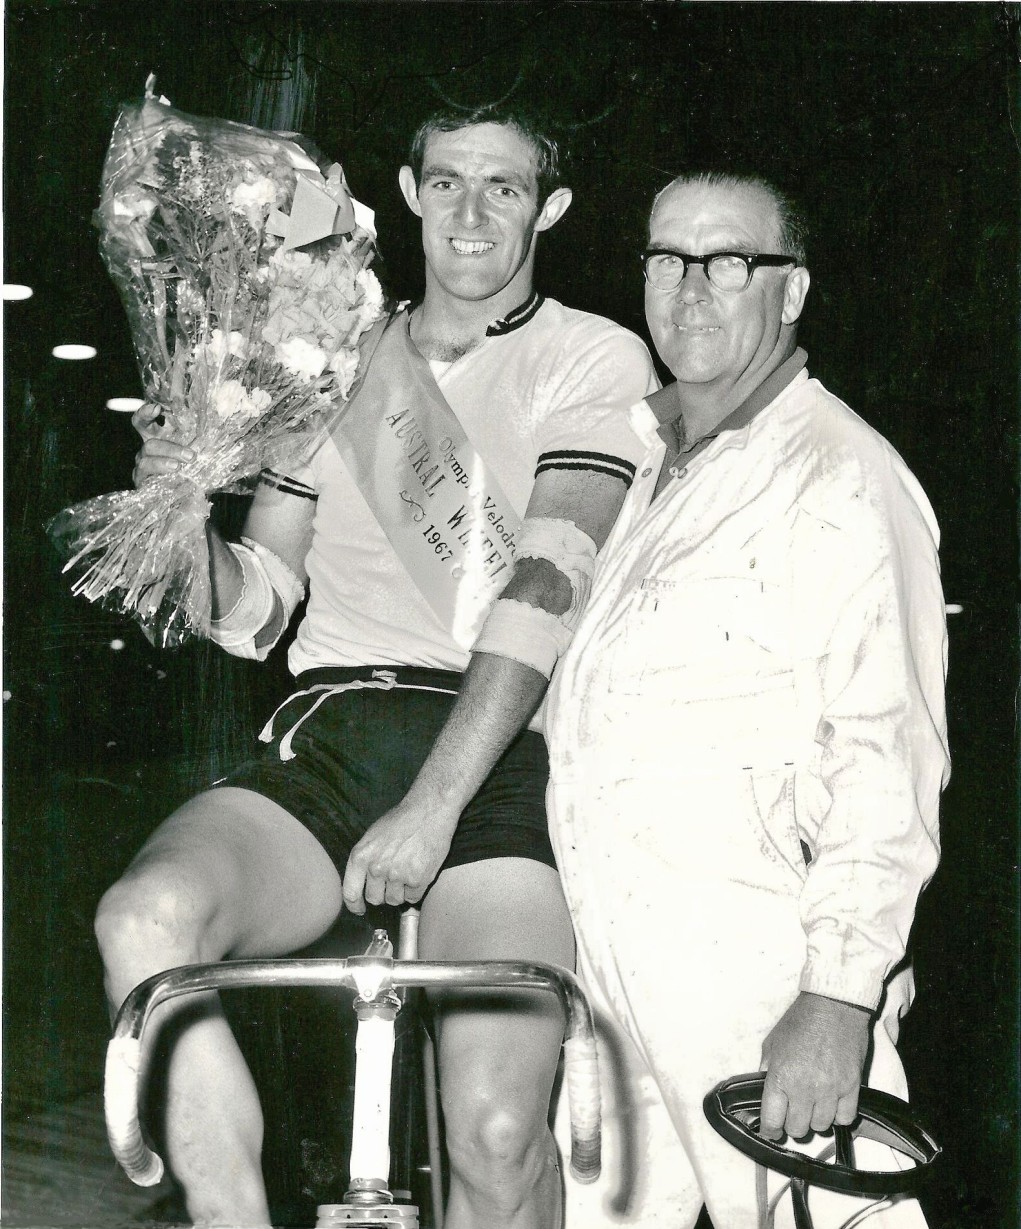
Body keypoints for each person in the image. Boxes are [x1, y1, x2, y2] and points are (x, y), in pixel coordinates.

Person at [95, 105, 658, 1229]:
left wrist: (433, 807)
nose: (470, 213)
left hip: (498, 756)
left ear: (547, 207)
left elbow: (543, 588)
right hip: (336, 732)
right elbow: (259, 614)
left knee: (498, 1132)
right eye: (447, 181)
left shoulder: (593, 355)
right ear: (406, 191)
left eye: (504, 187)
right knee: (143, 924)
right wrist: (181, 513)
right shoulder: (330, 354)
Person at [544, 171, 950, 1227]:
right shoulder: (645, 465)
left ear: (793, 290)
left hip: (762, 977)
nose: (689, 289)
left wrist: (838, 994)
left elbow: (888, 752)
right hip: (614, 979)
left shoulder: (841, 474)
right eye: (665, 258)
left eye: (728, 262)